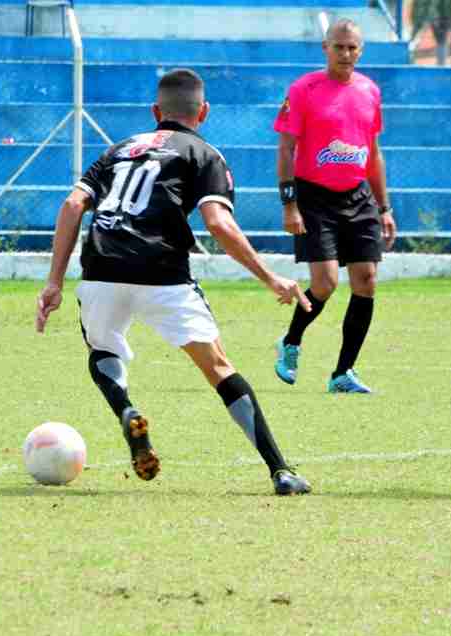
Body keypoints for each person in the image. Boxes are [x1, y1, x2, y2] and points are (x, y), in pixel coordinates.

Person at [35, 68, 313, 496]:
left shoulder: (119, 149)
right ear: (203, 111)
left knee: (103, 351)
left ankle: (126, 409)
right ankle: (280, 470)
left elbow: (73, 203)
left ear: (155, 111)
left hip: (102, 270)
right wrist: (270, 277)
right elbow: (218, 222)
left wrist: (54, 282)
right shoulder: (204, 154)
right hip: (163, 273)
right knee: (218, 368)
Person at [272, 18, 397, 394]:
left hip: (357, 197)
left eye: (352, 47)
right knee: (324, 284)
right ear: (325, 48)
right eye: (339, 46)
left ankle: (343, 373)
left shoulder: (370, 91)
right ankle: (291, 341)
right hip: (313, 197)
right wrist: (289, 205)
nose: (346, 54)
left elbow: (373, 153)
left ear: (361, 50)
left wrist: (384, 207)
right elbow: (286, 149)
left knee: (366, 280)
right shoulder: (304, 89)